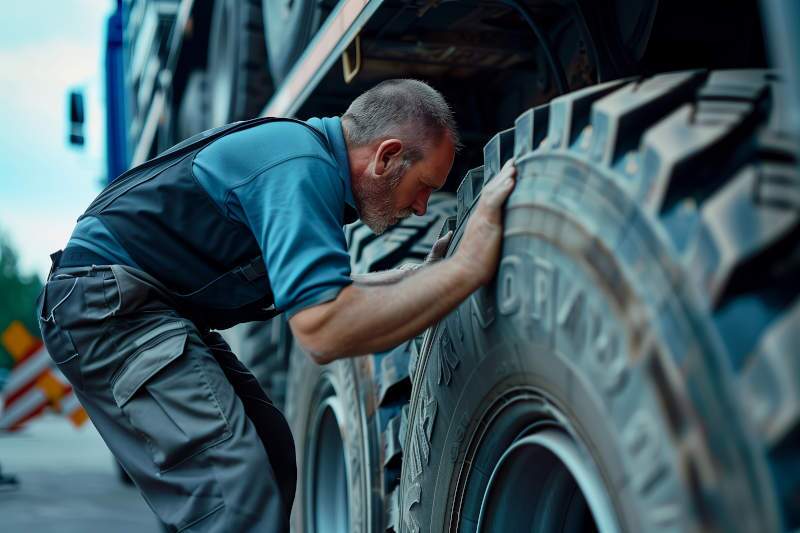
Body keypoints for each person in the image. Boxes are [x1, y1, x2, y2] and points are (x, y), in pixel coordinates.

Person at [37, 79, 516, 532]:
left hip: (145, 306)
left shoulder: (308, 162)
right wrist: (466, 269)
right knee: (235, 489)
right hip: (106, 308)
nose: (421, 208)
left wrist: (422, 277)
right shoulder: (297, 166)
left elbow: (328, 294)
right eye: (425, 186)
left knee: (269, 451)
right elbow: (323, 330)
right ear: (386, 158)